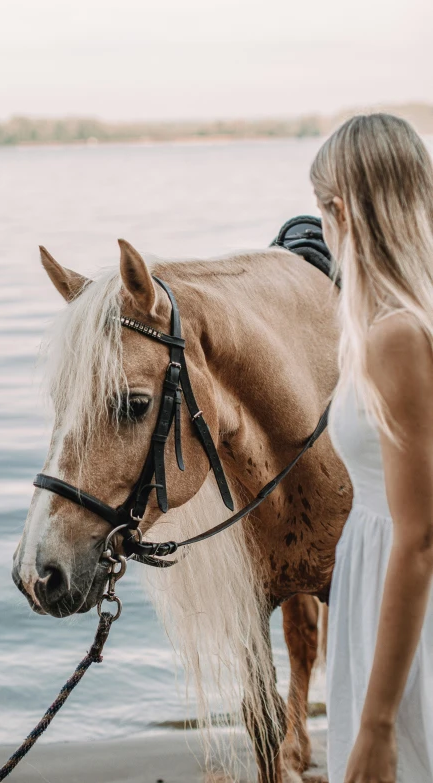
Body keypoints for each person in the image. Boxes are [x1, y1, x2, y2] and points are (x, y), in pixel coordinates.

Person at [310, 113, 433, 782]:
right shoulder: (391, 326)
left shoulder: (398, 337)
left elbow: (418, 535)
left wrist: (379, 721)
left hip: (408, 621)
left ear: (342, 215)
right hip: (378, 599)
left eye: (322, 214)